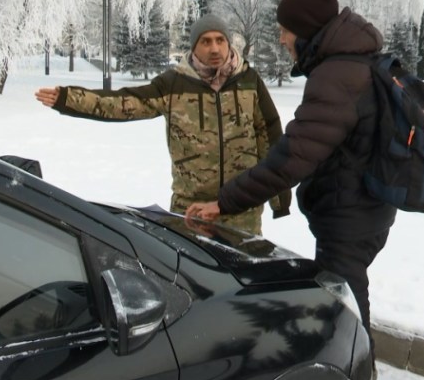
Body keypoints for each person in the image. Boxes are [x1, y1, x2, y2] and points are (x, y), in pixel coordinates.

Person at [185, 0, 397, 357]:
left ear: (305, 31)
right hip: (364, 208)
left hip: (350, 215)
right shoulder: (354, 63)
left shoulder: (336, 78)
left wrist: (225, 201)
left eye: (286, 31)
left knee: (346, 308)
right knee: (344, 297)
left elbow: (291, 157)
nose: (282, 39)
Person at [34, 14, 290, 235]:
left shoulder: (248, 80)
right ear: (194, 47)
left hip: (242, 211)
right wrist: (69, 98)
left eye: (220, 40)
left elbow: (270, 136)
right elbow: (124, 102)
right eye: (206, 41)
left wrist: (280, 200)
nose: (215, 48)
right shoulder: (173, 84)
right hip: (191, 212)